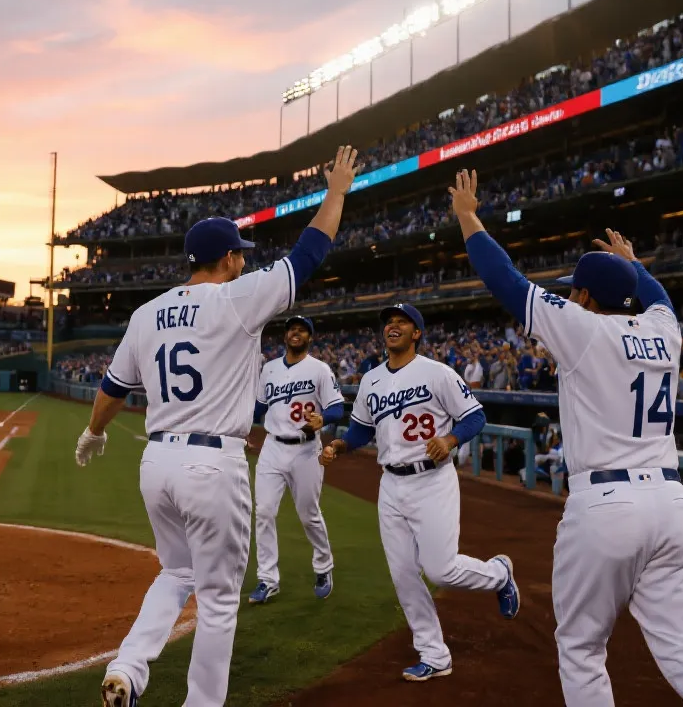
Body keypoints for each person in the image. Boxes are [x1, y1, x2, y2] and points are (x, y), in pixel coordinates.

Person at [451, 167, 683, 706]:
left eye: (575, 291)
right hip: (671, 502)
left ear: (584, 294)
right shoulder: (665, 329)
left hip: (607, 503)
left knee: (582, 649)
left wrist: (469, 218)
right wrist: (636, 266)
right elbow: (660, 297)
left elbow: (507, 281)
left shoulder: (584, 328)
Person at [75, 146, 360, 707]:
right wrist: (337, 192)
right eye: (241, 255)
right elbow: (309, 253)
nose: (245, 262)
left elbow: (111, 390)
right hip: (213, 460)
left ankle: (129, 669)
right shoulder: (237, 298)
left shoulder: (146, 313)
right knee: (219, 600)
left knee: (175, 572)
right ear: (228, 258)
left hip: (156, 462)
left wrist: (94, 433)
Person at [319, 302, 520, 683]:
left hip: (432, 479)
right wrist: (340, 446)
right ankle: (434, 654)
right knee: (404, 575)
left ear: (417, 333)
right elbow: (362, 429)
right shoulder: (371, 380)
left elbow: (475, 416)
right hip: (390, 483)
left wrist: (450, 437)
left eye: (402, 323)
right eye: (389, 323)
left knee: (441, 570)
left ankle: (498, 574)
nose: (392, 327)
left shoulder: (437, 373)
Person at [247, 315, 345, 604]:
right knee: (264, 511)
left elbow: (338, 407)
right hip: (273, 447)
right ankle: (267, 579)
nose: (296, 333)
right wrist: (240, 429)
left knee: (309, 514)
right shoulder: (270, 369)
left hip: (306, 450)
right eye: (292, 329)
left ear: (310, 337)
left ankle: (324, 567)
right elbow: (257, 407)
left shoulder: (319, 370)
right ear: (286, 336)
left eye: (302, 330)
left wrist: (323, 418)